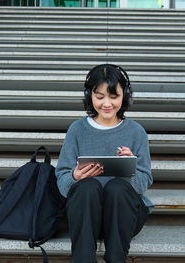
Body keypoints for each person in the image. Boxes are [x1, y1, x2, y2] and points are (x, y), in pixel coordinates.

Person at [56, 64, 153, 263]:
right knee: (87, 187)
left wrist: (130, 169)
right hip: (85, 216)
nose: (106, 104)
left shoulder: (136, 132)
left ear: (124, 95)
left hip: (123, 218)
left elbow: (144, 183)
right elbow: (62, 182)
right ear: (89, 95)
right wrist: (75, 177)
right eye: (99, 97)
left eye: (113, 96)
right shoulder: (77, 130)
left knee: (117, 187)